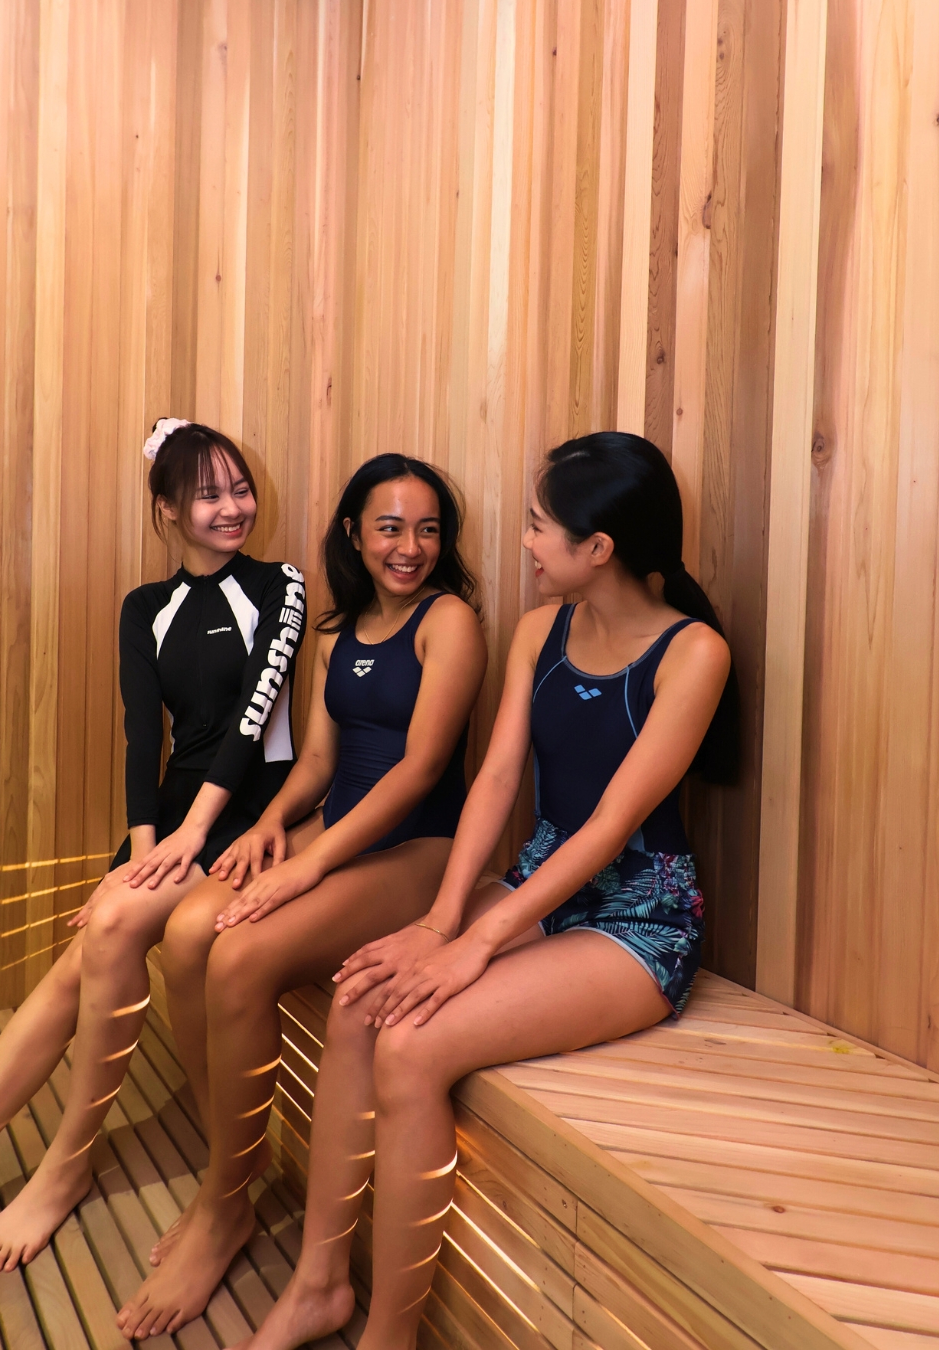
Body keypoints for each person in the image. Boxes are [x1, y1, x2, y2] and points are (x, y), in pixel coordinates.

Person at [237, 431, 738, 1350]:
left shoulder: (692, 652)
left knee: (412, 1048)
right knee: (359, 997)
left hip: (639, 922)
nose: (527, 542)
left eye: (542, 526)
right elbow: (500, 778)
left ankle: (390, 1335)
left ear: (599, 547)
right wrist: (441, 919)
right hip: (539, 889)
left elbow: (607, 828)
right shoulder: (542, 631)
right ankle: (318, 1284)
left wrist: (474, 942)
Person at [0, 419, 305, 1326]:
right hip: (172, 824)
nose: (232, 508)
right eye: (209, 494)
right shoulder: (145, 607)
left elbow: (256, 717)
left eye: (240, 489)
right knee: (77, 964)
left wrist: (189, 838)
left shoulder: (281, 586)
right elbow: (145, 737)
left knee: (104, 930)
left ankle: (63, 1165)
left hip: (251, 812)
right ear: (166, 509)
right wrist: (141, 850)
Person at [115, 453, 488, 1341]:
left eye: (428, 530)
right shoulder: (339, 629)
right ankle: (228, 1172)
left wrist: (308, 867)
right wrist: (273, 826)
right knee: (192, 930)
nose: (410, 547)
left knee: (241, 954)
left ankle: (225, 1203)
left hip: (421, 850)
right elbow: (319, 762)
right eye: (390, 528)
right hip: (339, 828)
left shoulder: (449, 623)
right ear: (354, 534)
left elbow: (421, 769)